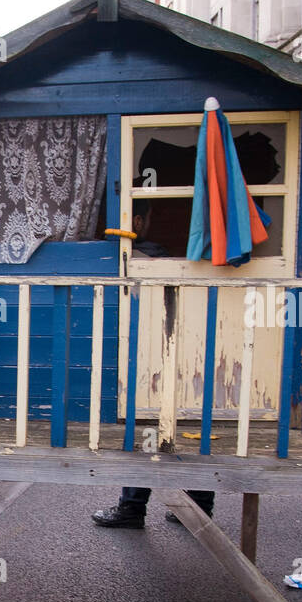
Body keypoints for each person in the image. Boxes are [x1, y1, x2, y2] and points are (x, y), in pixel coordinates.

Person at [92, 200, 214, 528]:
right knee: (197, 422)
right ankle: (198, 507)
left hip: (145, 351)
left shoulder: (129, 259)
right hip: (191, 348)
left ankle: (132, 508)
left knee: (145, 421)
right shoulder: (169, 257)